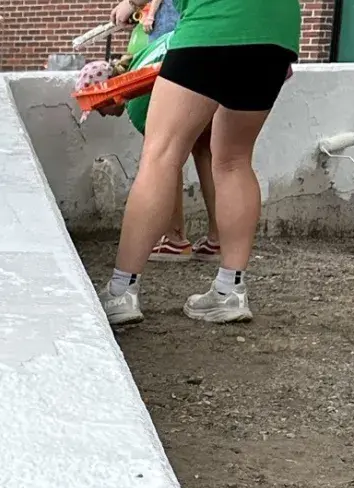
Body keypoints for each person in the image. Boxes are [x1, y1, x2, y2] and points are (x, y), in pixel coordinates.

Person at [98, 0, 300, 327]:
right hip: (276, 32)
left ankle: (121, 291)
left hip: (213, 23)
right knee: (234, 159)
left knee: (161, 153)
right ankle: (229, 291)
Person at [105, 0, 220, 262]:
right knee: (207, 145)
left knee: (165, 141)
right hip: (211, 31)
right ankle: (218, 239)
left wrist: (132, 3)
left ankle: (173, 237)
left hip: (175, 32)